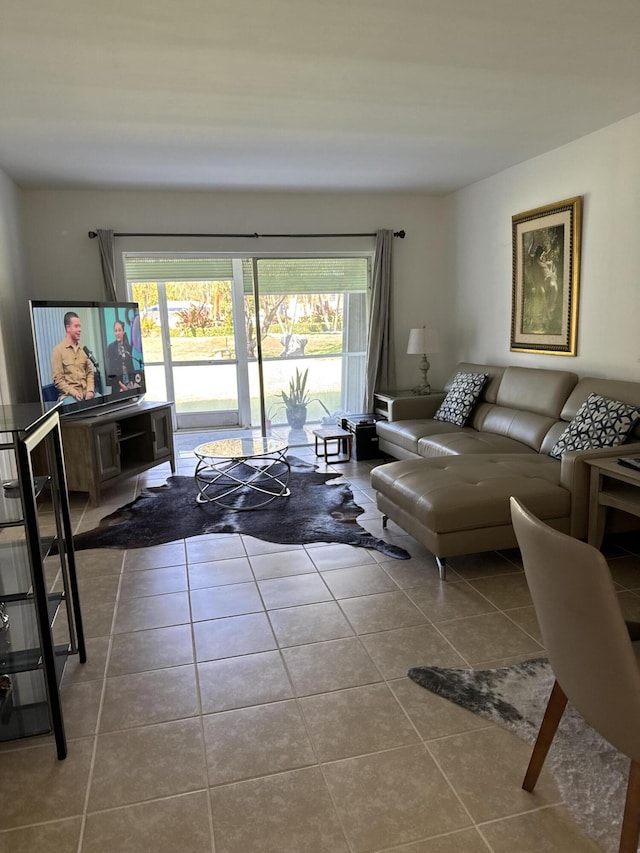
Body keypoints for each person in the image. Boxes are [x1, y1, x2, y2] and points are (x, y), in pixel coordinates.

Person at [51, 311, 96, 402]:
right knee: (73, 406)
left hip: (86, 393)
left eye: (80, 326)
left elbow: (89, 373)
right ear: (68, 328)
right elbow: (59, 381)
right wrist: (74, 392)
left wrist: (90, 390)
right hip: (69, 396)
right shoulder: (58, 351)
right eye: (76, 326)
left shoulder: (83, 350)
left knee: (102, 402)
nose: (80, 329)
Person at [106, 319, 136, 393]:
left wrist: (131, 382)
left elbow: (131, 367)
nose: (117, 333)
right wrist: (121, 386)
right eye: (115, 331)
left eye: (119, 330)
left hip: (129, 383)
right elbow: (111, 370)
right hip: (118, 384)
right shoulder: (111, 347)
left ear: (123, 331)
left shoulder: (128, 347)